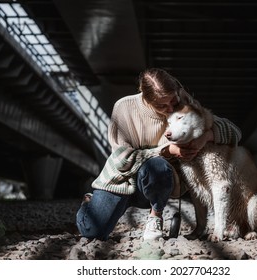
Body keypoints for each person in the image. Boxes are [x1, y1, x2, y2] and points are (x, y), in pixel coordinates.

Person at [76, 68, 242, 241]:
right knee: (92, 232)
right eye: (161, 105)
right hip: (121, 180)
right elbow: (121, 160)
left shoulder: (182, 105)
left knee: (158, 166)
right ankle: (89, 203)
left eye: (173, 101)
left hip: (157, 180)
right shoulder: (124, 107)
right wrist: (167, 150)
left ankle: (155, 215)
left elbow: (235, 132)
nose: (170, 109)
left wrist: (207, 136)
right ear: (145, 99)